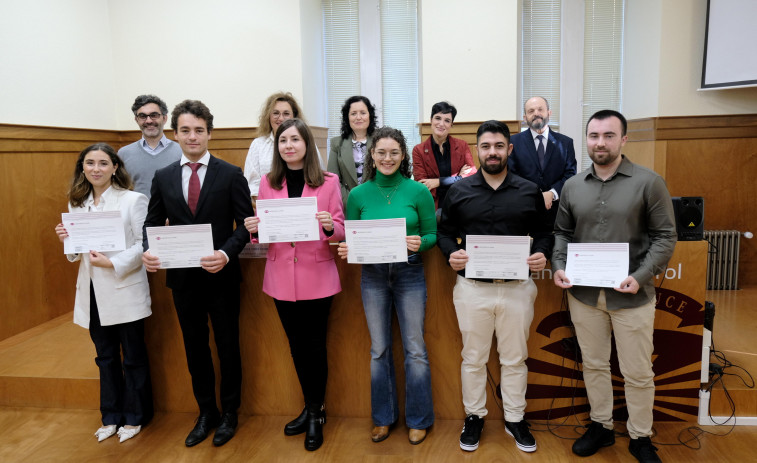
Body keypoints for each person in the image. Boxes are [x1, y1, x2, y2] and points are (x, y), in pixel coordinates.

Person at [552, 110, 676, 463]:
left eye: (608, 135)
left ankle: (640, 436)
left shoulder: (649, 182)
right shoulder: (573, 186)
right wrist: (559, 266)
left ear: (623, 139)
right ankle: (601, 426)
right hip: (585, 295)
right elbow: (561, 233)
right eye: (593, 136)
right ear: (586, 140)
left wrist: (640, 277)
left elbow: (666, 236)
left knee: (637, 371)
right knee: (593, 364)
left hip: (632, 296)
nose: (600, 143)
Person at [141, 100, 254, 448]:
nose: (193, 137)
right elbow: (151, 224)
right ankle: (207, 412)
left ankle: (231, 411)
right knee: (195, 348)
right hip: (182, 279)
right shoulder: (163, 177)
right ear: (176, 134)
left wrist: (224, 253)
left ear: (209, 133)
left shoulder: (231, 173)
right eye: (186, 130)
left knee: (227, 345)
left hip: (221, 275)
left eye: (199, 130)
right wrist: (150, 250)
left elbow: (245, 227)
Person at [437, 120, 552, 453]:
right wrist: (451, 254)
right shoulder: (458, 191)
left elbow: (546, 233)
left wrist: (541, 253)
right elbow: (444, 234)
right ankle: (474, 416)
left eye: (499, 146)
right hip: (472, 289)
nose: (492, 152)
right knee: (473, 358)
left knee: (515, 359)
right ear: (477, 150)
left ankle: (515, 419)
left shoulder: (529, 191)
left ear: (509, 149)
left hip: (517, 289)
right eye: (486, 146)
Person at [243, 118, 344, 451]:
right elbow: (263, 236)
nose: (288, 145)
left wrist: (331, 226)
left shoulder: (328, 182)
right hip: (281, 278)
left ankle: (316, 413)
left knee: (315, 346)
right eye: (282, 140)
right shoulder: (269, 184)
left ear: (307, 145)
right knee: (296, 346)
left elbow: (341, 230)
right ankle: (310, 405)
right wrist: (254, 227)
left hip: (318, 276)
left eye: (294, 140)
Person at [337, 126, 436, 446]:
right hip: (374, 277)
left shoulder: (418, 192)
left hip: (409, 274)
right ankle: (383, 418)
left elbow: (433, 235)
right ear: (372, 156)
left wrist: (419, 243)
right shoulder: (357, 195)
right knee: (378, 350)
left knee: (415, 349)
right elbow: (350, 237)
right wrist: (347, 248)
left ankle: (419, 419)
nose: (387, 158)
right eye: (381, 152)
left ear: (403, 155)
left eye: (394, 152)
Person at [55, 143, 153, 443]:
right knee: (105, 357)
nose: (95, 168)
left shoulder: (133, 200)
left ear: (114, 167)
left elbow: (143, 243)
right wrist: (67, 240)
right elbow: (77, 254)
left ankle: (136, 417)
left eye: (102, 163)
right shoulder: (77, 203)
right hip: (92, 292)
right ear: (82, 168)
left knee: (133, 357)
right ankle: (110, 416)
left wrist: (114, 262)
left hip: (124, 288)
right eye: (89, 163)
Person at [508, 96, 577, 225]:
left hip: (557, 212)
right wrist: (535, 195)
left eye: (540, 109)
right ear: (525, 118)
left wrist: (552, 193)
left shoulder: (566, 143)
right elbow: (511, 174)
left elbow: (570, 174)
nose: (536, 114)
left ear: (549, 113)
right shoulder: (513, 142)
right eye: (531, 111)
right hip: (524, 210)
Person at [243, 92, 322, 203]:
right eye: (275, 113)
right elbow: (252, 184)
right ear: (268, 116)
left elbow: (317, 174)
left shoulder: (307, 143)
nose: (280, 118)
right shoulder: (258, 145)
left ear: (294, 116)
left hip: (305, 206)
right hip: (271, 209)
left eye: (286, 113)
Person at [411, 101, 475, 210]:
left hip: (459, 203)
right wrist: (458, 178)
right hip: (432, 206)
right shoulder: (418, 150)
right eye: (438, 118)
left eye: (447, 120)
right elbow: (422, 186)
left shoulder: (462, 146)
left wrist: (438, 182)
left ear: (451, 125)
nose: (441, 124)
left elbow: (472, 175)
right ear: (431, 120)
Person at [118, 95, 182, 197]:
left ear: (164, 118)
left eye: (154, 115)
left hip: (173, 213)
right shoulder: (123, 154)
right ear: (136, 120)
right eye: (143, 116)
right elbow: (118, 190)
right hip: (137, 212)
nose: (148, 121)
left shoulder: (181, 152)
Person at [326, 95, 378, 205]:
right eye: (353, 113)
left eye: (363, 113)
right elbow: (332, 180)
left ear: (370, 115)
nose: (358, 117)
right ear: (347, 117)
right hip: (347, 204)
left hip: (376, 201)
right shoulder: (337, 144)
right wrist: (351, 200)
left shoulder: (380, 141)